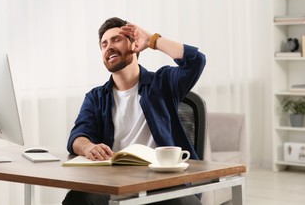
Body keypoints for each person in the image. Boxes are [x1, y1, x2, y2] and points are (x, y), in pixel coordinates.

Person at [63, 17, 206, 205]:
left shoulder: (162, 83)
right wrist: (88, 146)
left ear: (134, 45)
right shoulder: (96, 97)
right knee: (78, 198)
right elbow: (77, 136)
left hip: (164, 184)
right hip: (117, 185)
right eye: (104, 44)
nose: (108, 47)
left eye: (116, 40)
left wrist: (152, 40)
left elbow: (196, 60)